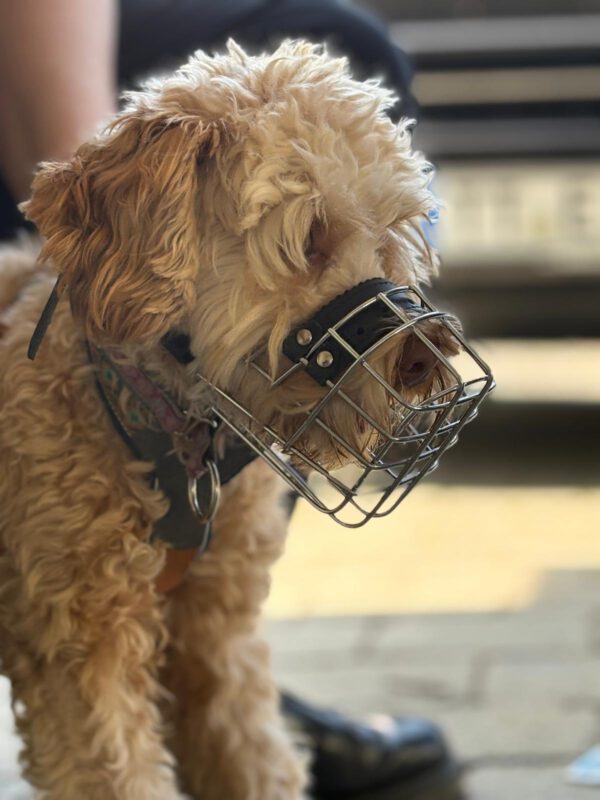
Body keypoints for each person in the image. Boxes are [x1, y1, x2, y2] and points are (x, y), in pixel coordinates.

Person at [0, 2, 460, 798]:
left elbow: (223, 665)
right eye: (308, 247)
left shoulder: (238, 437)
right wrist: (99, 253)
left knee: (218, 644)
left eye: (382, 249)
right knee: (90, 668)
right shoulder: (56, 405)